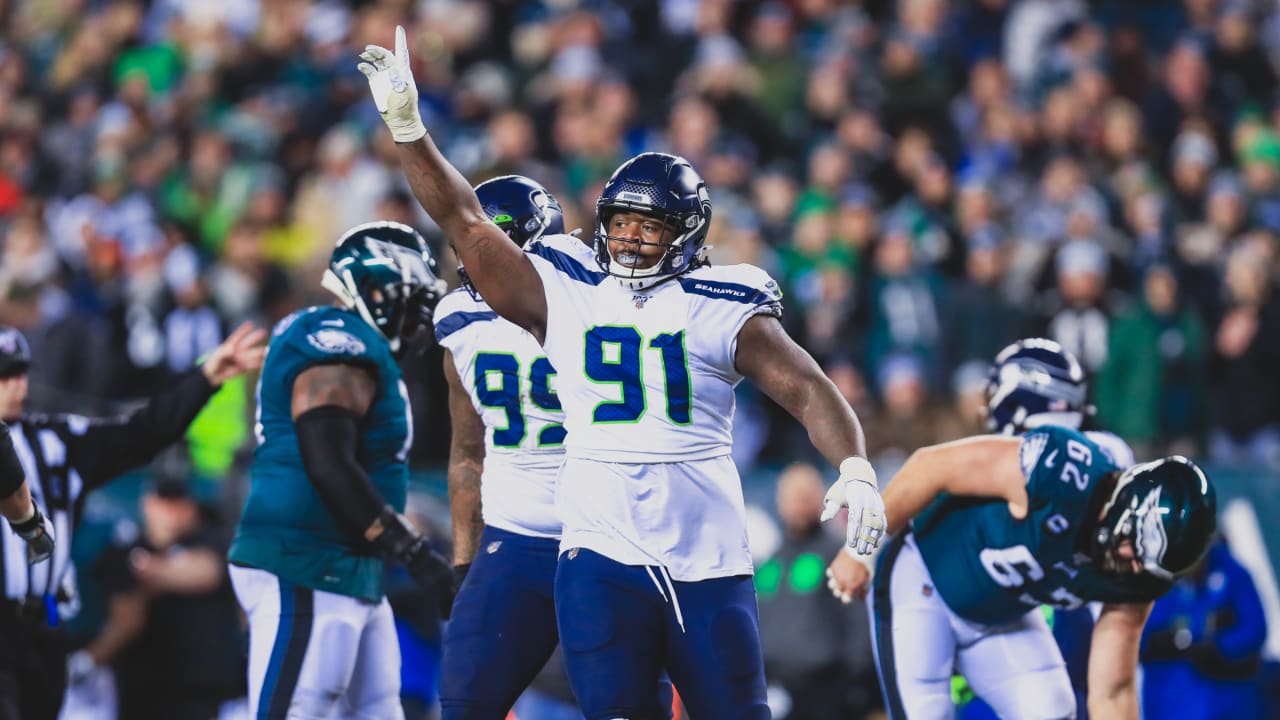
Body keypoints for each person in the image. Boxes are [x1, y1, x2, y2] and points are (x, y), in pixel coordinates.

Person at [359, 28, 885, 718]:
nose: (631, 237)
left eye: (650, 225)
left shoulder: (722, 304)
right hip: (599, 556)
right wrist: (409, 130)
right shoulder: (565, 286)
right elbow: (464, 221)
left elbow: (808, 388)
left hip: (708, 557)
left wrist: (854, 465)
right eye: (621, 222)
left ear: (688, 233)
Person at [436, 175, 671, 718]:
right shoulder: (459, 321)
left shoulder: (607, 303)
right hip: (514, 542)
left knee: (625, 707)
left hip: (607, 537)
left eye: (489, 249)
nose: (475, 265)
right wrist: (464, 562)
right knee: (464, 705)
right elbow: (468, 452)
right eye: (468, 251)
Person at [826, 432, 1218, 719]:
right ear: (1128, 506)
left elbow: (1112, 691)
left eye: (1151, 565)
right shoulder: (1062, 473)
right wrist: (861, 550)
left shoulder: (1140, 576)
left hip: (999, 612)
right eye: (1138, 549)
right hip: (922, 576)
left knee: (1050, 707)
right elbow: (932, 465)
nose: (1135, 567)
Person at [227, 220, 452, 719]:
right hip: (307, 563)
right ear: (373, 290)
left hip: (346, 566)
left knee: (378, 709)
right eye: (411, 299)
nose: (419, 319)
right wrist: (412, 551)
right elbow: (327, 461)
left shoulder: (354, 348)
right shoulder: (338, 343)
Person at [0, 322, 264, 720]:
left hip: (46, 627)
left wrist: (205, 379)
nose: (16, 385)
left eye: (20, 373)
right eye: (4, 376)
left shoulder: (58, 442)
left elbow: (143, 433)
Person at [76, 478, 245, 720]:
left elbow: (210, 571)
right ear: (147, 504)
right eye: (163, 503)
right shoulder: (124, 546)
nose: (171, 513)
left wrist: (151, 571)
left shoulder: (215, 538)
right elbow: (128, 617)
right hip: (144, 687)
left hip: (206, 689)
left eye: (177, 504)